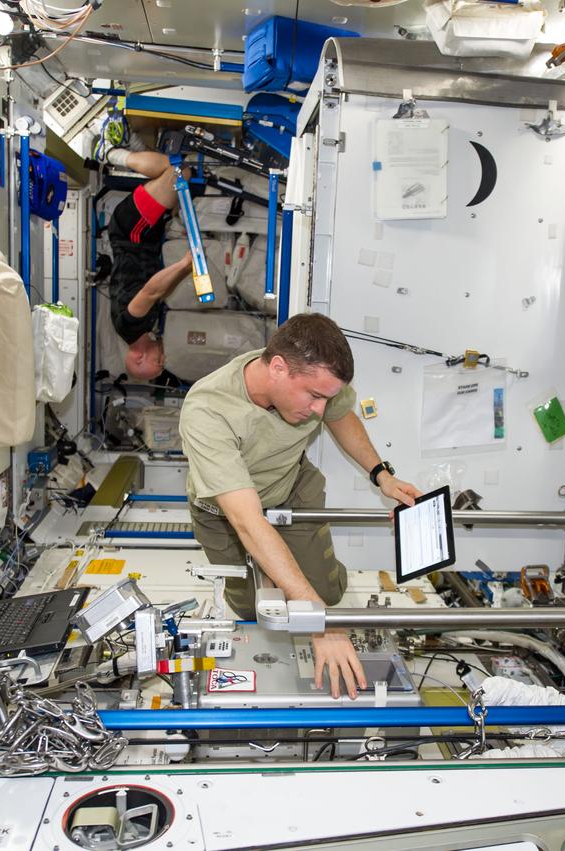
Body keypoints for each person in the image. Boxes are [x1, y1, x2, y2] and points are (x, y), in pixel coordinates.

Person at [178, 314, 422, 699]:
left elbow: (342, 417)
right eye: (314, 396)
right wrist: (319, 624)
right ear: (277, 368)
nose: (320, 410)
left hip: (292, 487)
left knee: (324, 591)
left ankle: (305, 585)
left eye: (326, 397)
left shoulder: (313, 372)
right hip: (225, 515)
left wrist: (382, 475)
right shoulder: (208, 410)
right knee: (256, 612)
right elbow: (247, 521)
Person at [102, 147, 194, 381]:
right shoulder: (144, 327)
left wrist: (183, 265)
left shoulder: (128, 327)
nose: (163, 359)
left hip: (132, 233)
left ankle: (113, 154)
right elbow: (161, 292)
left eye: (158, 364)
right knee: (181, 173)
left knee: (179, 172)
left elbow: (150, 290)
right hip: (143, 235)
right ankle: (118, 155)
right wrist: (183, 273)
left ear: (138, 358)